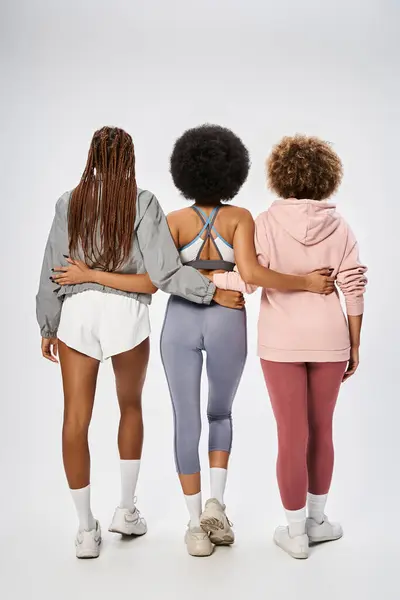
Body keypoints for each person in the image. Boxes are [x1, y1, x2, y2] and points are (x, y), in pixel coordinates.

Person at [36, 126, 244, 559]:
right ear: (129, 159)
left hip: (77, 314)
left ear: (91, 155)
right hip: (127, 313)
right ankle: (126, 510)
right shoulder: (143, 201)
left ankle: (84, 530)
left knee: (75, 420)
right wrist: (211, 292)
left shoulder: (68, 202)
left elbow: (52, 270)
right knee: (130, 407)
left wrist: (48, 324)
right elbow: (163, 275)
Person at [159, 125, 336, 557]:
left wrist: (196, 279)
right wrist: (307, 283)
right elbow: (252, 276)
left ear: (183, 171)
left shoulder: (174, 221)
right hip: (227, 317)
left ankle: (194, 524)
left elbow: (159, 277)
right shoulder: (239, 218)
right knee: (220, 413)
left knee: (185, 417)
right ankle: (216, 506)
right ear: (232, 172)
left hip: (179, 320)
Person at [212, 135, 367, 559]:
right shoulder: (341, 226)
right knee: (322, 430)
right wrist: (354, 343)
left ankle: (296, 531)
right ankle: (318, 521)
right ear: (326, 177)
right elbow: (353, 287)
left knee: (291, 433)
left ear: (280, 176)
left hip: (280, 342)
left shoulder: (263, 222)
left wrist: (207, 281)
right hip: (330, 340)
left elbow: (246, 278)